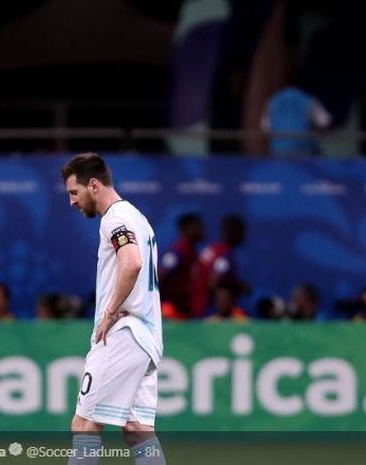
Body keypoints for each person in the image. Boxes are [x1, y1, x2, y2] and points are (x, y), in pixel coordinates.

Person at [61, 152, 165, 465]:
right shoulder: (138, 219)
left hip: (123, 334)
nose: (72, 202)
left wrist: (109, 310)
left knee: (84, 425)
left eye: (74, 193)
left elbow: (131, 262)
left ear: (93, 185)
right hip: (146, 337)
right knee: (137, 430)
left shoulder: (116, 218)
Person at [190, 215, 250, 317]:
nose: (243, 235)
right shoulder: (224, 255)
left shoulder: (211, 249)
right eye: (240, 231)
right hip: (207, 312)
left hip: (194, 308)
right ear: (232, 231)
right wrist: (239, 286)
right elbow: (214, 281)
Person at [261, 83, 332, 156]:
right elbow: (324, 122)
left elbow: (266, 129)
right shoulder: (308, 100)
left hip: (277, 152)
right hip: (304, 152)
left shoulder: (272, 101)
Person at [158, 213, 205, 320]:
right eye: (198, 226)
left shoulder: (192, 251)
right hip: (172, 311)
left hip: (186, 312)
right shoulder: (179, 250)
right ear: (187, 228)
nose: (202, 230)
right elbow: (161, 275)